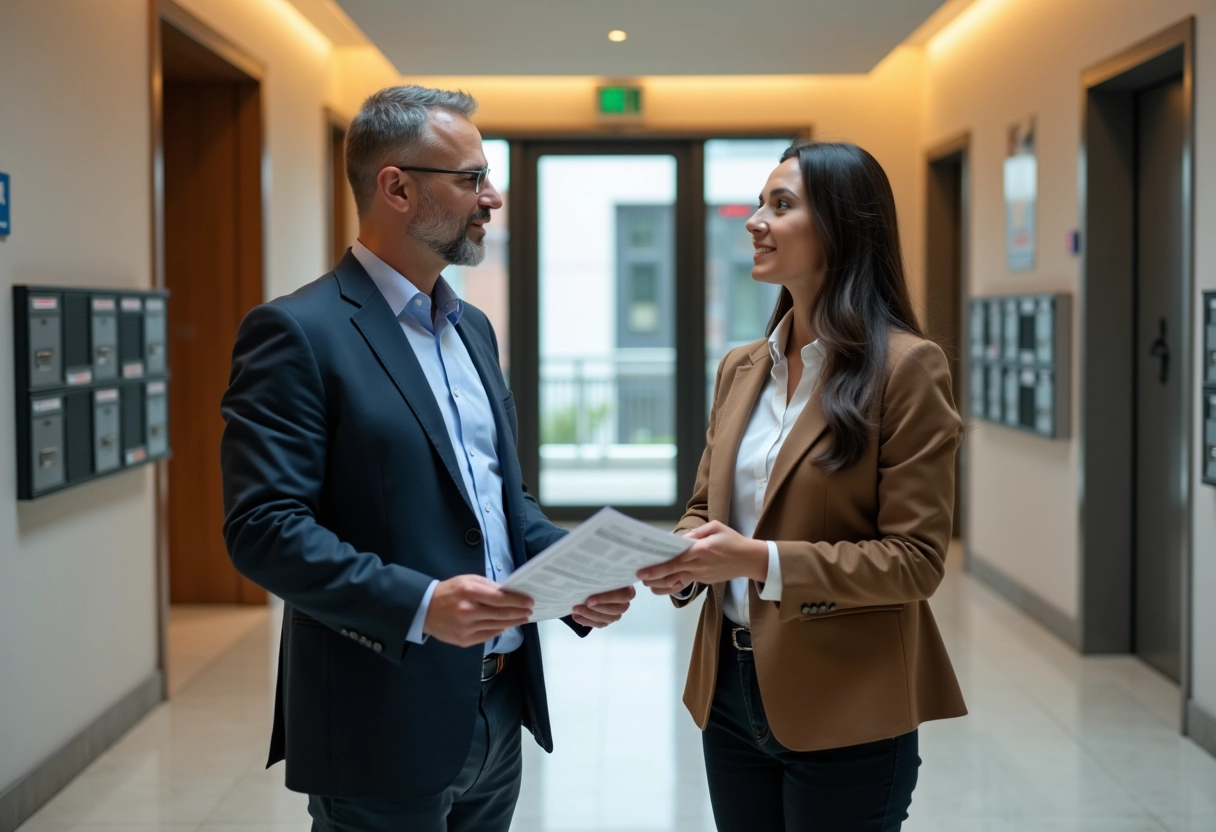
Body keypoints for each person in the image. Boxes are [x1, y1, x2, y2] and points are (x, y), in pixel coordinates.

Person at [219, 85, 635, 832]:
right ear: (397, 187)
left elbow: (502, 506)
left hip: (499, 706)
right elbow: (265, 529)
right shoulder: (296, 332)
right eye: (472, 178)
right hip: (378, 717)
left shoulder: (472, 327)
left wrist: (572, 571)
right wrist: (420, 604)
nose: (493, 198)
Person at [638, 140, 966, 832]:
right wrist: (684, 559)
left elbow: (915, 562)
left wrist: (755, 560)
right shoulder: (741, 367)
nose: (755, 220)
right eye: (760, 202)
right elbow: (706, 508)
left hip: (848, 700)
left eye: (780, 205)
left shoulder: (908, 369)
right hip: (729, 696)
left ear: (842, 228)